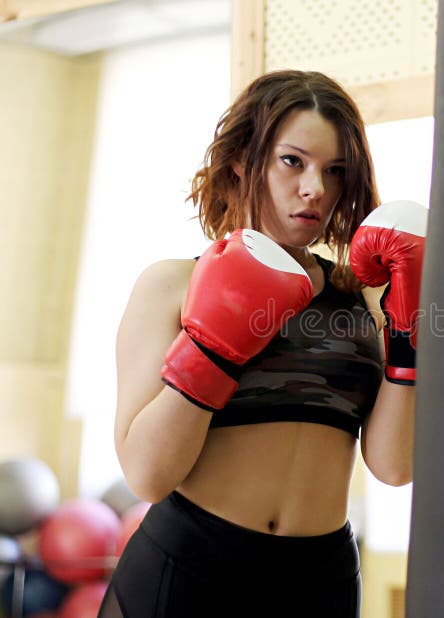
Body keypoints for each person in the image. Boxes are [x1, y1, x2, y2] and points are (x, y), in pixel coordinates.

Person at [98, 70, 425, 617]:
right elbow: (147, 476)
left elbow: (393, 467)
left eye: (335, 171)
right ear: (242, 161)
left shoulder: (364, 300)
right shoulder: (174, 283)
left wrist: (409, 335)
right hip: (190, 568)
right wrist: (212, 347)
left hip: (320, 578)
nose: (315, 188)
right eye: (293, 161)